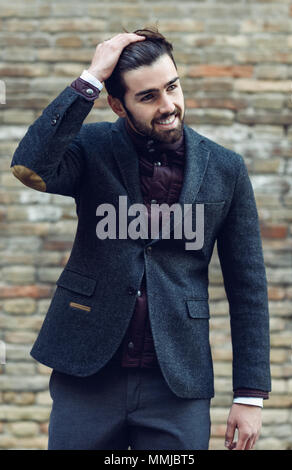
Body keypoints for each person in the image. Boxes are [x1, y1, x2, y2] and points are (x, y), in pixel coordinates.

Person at [10, 27, 271, 450]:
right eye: (148, 97)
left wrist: (250, 394)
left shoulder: (226, 168)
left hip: (176, 384)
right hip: (88, 374)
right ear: (118, 104)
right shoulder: (91, 147)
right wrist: (91, 76)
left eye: (172, 87)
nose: (168, 106)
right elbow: (30, 165)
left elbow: (248, 288)